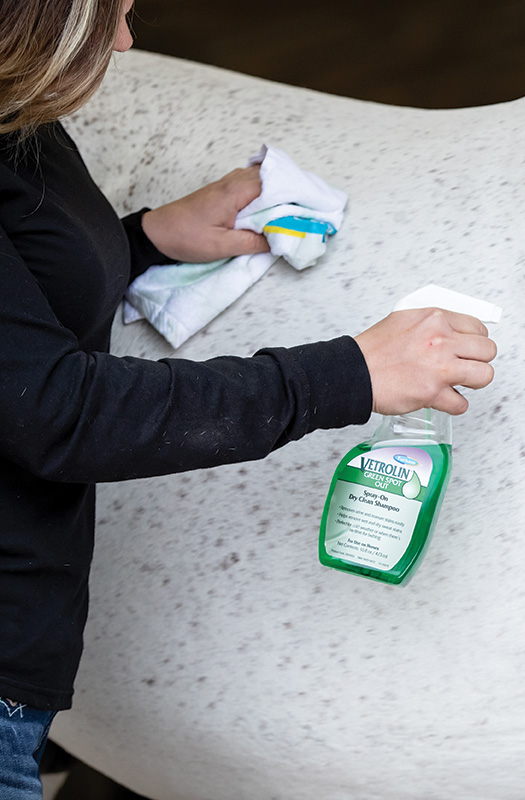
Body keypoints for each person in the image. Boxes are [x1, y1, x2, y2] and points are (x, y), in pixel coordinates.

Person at [0, 0, 499, 795]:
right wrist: (351, 373)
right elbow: (56, 411)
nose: (126, 39)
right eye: (108, 15)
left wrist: (147, 239)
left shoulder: (18, 125)